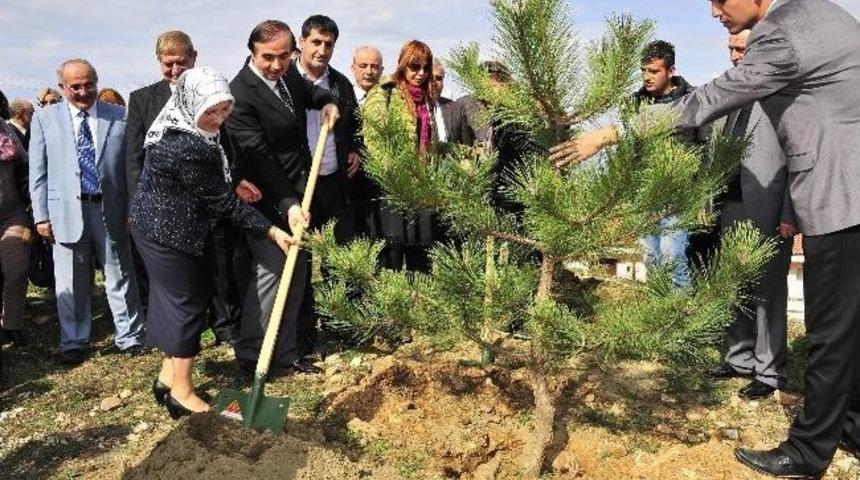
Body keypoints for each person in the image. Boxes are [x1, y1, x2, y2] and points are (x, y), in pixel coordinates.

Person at [549, 0, 860, 477]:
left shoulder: (782, 30)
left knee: (830, 332)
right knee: (852, 328)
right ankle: (851, 426)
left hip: (839, 195)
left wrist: (612, 133)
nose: (714, 10)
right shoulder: (828, 12)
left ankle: (807, 451)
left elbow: (703, 102)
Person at [130, 67, 300, 418]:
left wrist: (230, 184)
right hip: (169, 233)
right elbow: (221, 202)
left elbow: (211, 184)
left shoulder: (184, 129)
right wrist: (271, 230)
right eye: (210, 111)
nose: (219, 119)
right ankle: (181, 393)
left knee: (172, 302)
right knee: (189, 305)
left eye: (224, 109)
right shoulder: (187, 145)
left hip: (158, 226)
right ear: (190, 104)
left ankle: (166, 377)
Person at [126, 30, 253, 346]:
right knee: (173, 277)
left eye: (180, 63)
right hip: (163, 207)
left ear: (193, 58)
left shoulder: (210, 91)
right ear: (159, 62)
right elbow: (134, 158)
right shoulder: (142, 100)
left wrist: (232, 182)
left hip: (208, 201)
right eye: (167, 64)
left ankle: (225, 326)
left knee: (218, 263)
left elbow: (227, 144)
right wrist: (136, 205)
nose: (174, 70)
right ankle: (171, 334)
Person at [227, 19, 338, 375]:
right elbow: (260, 157)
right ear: (252, 53)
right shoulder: (240, 93)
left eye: (283, 57)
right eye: (267, 58)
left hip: (298, 194)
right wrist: (288, 204)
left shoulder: (288, 76)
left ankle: (286, 353)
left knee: (297, 275)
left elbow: (311, 91)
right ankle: (251, 353)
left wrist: (327, 102)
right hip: (263, 198)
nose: (276, 66)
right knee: (272, 274)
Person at [29, 59, 145, 365]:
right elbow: (37, 172)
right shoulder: (44, 119)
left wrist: (132, 207)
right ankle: (74, 341)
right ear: (62, 87)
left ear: (96, 81)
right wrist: (41, 216)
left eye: (88, 84)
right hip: (65, 210)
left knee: (120, 274)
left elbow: (131, 169)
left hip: (111, 209)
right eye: (75, 86)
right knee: (71, 280)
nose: (83, 92)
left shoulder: (120, 116)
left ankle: (130, 336)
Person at [708, 29, 797, 401]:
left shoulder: (785, 95)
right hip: (730, 205)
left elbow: (798, 159)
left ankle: (770, 369)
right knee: (736, 285)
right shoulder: (729, 93)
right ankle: (739, 357)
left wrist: (791, 212)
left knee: (768, 292)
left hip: (769, 209)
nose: (733, 55)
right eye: (730, 47)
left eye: (740, 48)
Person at [363, 40, 441, 272]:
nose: (421, 74)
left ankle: (420, 302)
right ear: (402, 65)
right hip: (392, 186)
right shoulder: (383, 93)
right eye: (414, 67)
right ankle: (392, 304)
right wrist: (395, 174)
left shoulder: (427, 99)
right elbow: (373, 139)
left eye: (425, 68)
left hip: (421, 185)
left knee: (421, 251)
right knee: (392, 252)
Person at [634, 40, 705, 289]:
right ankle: (657, 314)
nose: (647, 77)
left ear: (671, 71)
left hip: (679, 193)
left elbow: (704, 149)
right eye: (643, 70)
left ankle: (680, 318)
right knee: (650, 257)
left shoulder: (693, 100)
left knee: (672, 256)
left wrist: (700, 196)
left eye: (653, 71)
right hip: (645, 193)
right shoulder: (636, 103)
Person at [295, 14, 360, 243]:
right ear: (302, 42)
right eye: (316, 42)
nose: (322, 50)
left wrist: (354, 149)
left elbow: (355, 124)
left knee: (340, 253)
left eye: (328, 44)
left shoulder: (341, 84)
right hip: (298, 182)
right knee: (302, 253)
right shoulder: (286, 81)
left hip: (334, 180)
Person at [0, 116, 32, 347]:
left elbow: (26, 169)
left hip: (12, 214)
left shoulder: (6, 131)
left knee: (17, 269)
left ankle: (13, 323)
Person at [429, 59, 470, 145]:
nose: (434, 83)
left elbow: (466, 147)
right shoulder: (410, 108)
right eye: (430, 78)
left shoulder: (457, 109)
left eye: (438, 78)